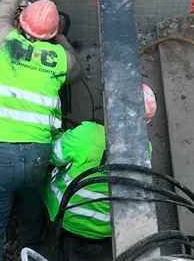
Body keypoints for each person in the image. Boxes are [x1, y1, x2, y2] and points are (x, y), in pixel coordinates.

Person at [0, 0, 80, 261]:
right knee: (32, 197)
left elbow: (2, 12)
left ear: (21, 24)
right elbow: (76, 67)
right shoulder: (60, 58)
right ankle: (28, 245)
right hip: (37, 154)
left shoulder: (1, 38)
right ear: (53, 33)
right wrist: (59, 38)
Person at [44, 84, 158, 243]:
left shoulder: (87, 133)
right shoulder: (145, 148)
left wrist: (62, 136)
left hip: (67, 216)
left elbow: (51, 156)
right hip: (104, 227)